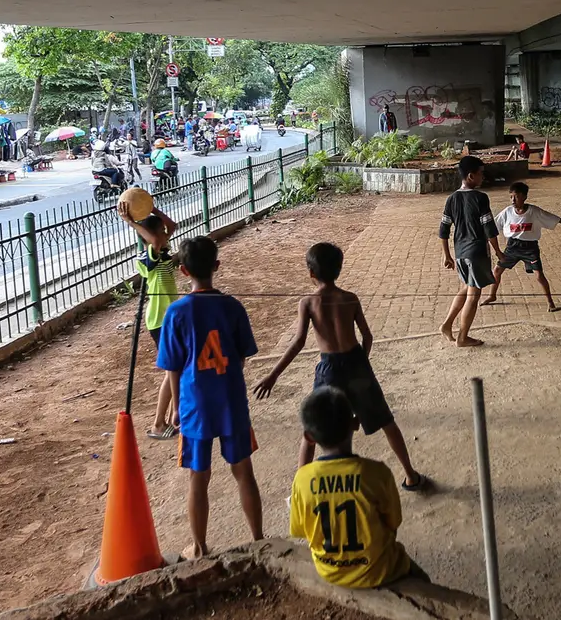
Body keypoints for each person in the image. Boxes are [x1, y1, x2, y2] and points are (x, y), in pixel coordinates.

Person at [254, 242, 426, 490]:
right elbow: (367, 336)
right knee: (386, 420)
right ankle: (410, 475)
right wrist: (361, 363)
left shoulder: (309, 303)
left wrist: (273, 375)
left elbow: (298, 342)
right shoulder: (350, 298)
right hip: (356, 362)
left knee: (314, 428)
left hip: (329, 369)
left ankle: (300, 488)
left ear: (311, 273)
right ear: (339, 270)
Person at [157, 236, 263, 558]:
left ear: (183, 271)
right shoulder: (232, 307)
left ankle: (200, 546)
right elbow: (243, 356)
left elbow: (173, 369)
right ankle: (259, 538)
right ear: (216, 267)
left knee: (197, 478)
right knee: (244, 471)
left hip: (194, 406)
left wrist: (176, 407)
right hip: (231, 400)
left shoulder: (176, 313)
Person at [289, 387, 427, 588]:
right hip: (379, 570)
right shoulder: (377, 474)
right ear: (355, 423)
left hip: (329, 572)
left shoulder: (302, 480)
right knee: (422, 579)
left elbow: (301, 530)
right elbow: (393, 522)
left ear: (309, 437)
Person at [118, 203, 182, 440]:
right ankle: (160, 422)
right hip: (159, 320)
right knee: (173, 370)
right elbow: (155, 241)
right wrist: (131, 222)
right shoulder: (147, 257)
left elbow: (173, 225)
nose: (166, 236)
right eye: (160, 234)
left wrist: (153, 209)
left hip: (170, 319)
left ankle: (167, 420)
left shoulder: (162, 251)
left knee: (174, 370)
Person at [482, 182, 561, 312]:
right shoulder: (507, 212)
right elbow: (493, 226)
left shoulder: (534, 211)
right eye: (511, 197)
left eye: (516, 196)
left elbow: (552, 217)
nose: (513, 200)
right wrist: (482, 235)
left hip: (530, 248)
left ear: (524, 197)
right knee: (497, 271)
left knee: (539, 275)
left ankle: (550, 301)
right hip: (512, 246)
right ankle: (492, 295)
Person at [439, 156, 502, 347]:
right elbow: (489, 228)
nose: (483, 177)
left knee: (467, 287)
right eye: (481, 173)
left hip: (459, 252)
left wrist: (447, 254)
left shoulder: (451, 199)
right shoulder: (480, 198)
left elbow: (443, 230)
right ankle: (463, 337)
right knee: (474, 295)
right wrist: (498, 251)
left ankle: (447, 324)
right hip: (476, 252)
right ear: (470, 176)